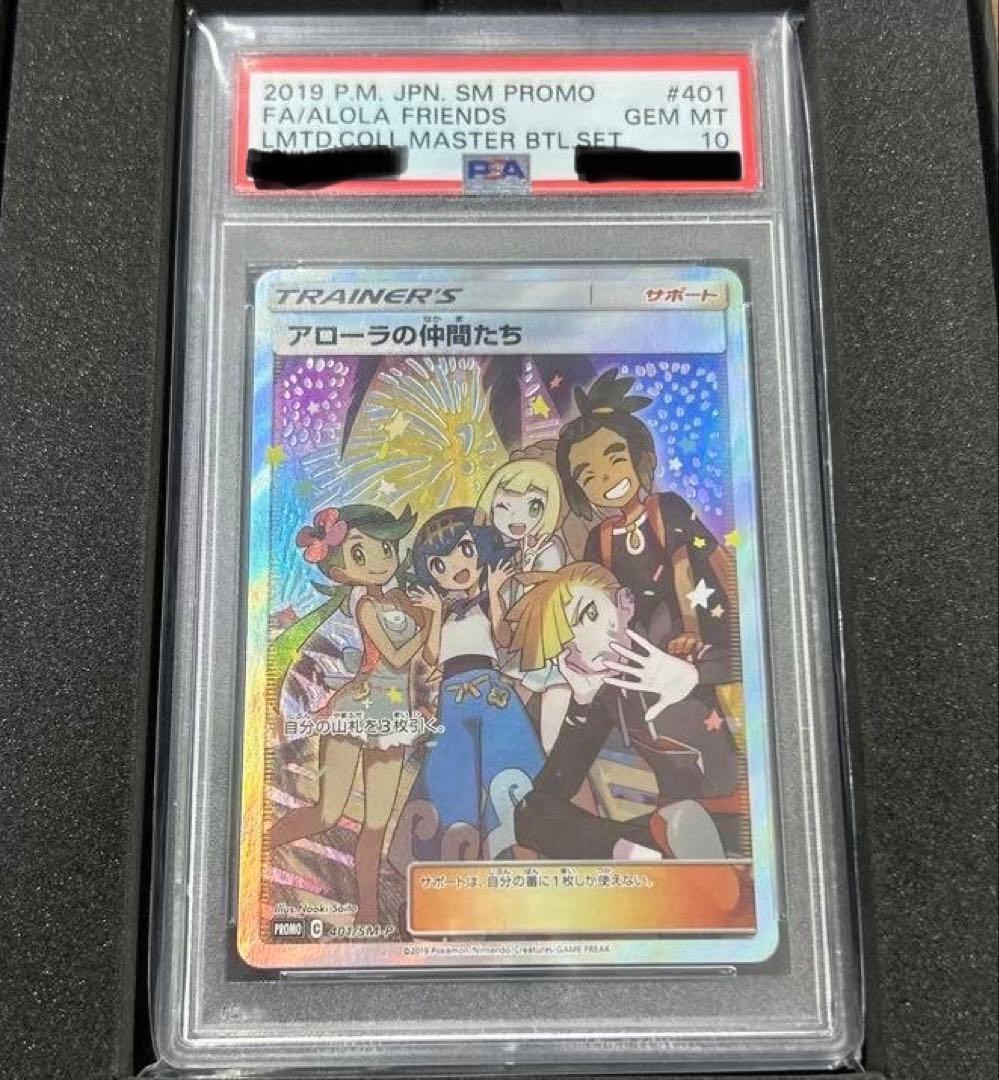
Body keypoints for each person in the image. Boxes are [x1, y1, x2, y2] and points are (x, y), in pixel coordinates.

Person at [508, 562, 739, 862]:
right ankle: (649, 860)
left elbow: (763, 664)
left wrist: (695, 674)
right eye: (564, 645)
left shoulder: (674, 641)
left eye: (589, 615)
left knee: (683, 821)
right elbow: (551, 791)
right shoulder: (607, 692)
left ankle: (676, 860)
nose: (583, 642)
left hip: (740, 816)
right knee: (530, 815)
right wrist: (581, 701)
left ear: (625, 604)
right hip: (670, 831)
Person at [267, 503, 426, 927]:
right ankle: (257, 848)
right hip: (356, 709)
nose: (379, 560)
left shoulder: (396, 599)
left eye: (386, 547)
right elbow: (397, 656)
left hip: (394, 716)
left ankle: (368, 913)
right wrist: (427, 626)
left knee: (376, 824)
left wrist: (432, 617)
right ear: (338, 569)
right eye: (360, 552)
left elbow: (425, 656)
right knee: (328, 812)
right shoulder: (364, 607)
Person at [393, 507, 545, 864]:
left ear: (480, 548)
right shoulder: (442, 611)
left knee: (509, 764)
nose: (455, 566)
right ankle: (451, 853)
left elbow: (504, 639)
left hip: (492, 690)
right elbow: (431, 656)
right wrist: (434, 614)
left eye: (463, 549)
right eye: (439, 564)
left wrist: (494, 592)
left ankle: (515, 847)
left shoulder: (489, 600)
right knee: (452, 771)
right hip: (452, 694)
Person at [556, 368, 737, 661]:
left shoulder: (667, 508)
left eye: (616, 459)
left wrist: (690, 630)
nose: (605, 478)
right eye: (588, 477)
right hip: (636, 649)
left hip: (696, 639)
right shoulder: (600, 539)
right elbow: (596, 595)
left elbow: (683, 568)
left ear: (644, 458)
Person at [475, 458, 571, 750]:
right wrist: (495, 590)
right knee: (506, 726)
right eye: (505, 507)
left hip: (549, 652)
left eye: (533, 506)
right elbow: (503, 627)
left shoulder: (550, 548)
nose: (518, 518)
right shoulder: (509, 557)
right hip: (522, 654)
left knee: (545, 739)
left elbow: (543, 596)